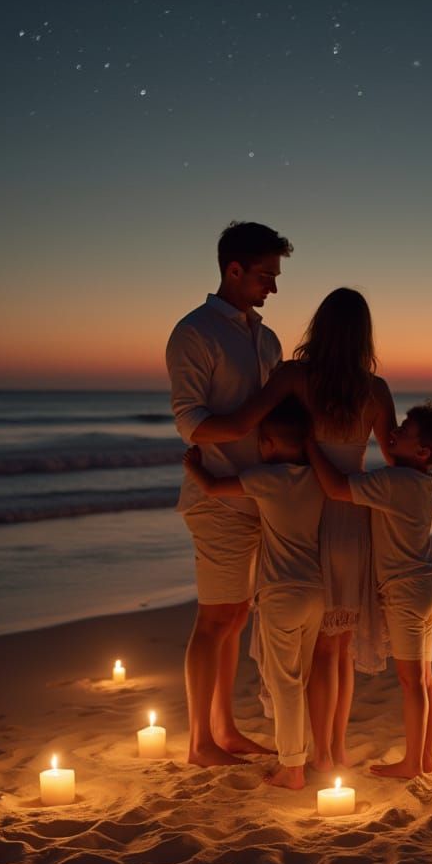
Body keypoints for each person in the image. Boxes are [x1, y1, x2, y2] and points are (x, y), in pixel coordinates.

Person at [190, 288, 397, 771]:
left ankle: (320, 754)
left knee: (320, 650)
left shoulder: (293, 377)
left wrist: (193, 429)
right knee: (340, 647)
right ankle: (336, 750)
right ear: (364, 336)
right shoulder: (376, 390)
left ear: (318, 328)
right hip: (353, 522)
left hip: (309, 515)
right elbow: (395, 460)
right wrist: (422, 490)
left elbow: (244, 422)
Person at [165, 220, 293, 767]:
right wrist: (255, 412)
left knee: (237, 618)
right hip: (216, 496)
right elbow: (190, 422)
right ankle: (200, 742)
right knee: (215, 619)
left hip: (261, 495)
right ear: (233, 270)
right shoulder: (194, 333)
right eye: (265, 275)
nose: (273, 287)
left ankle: (226, 728)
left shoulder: (267, 339)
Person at [306, 401, 432, 779]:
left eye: (404, 431)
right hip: (429, 587)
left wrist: (310, 445)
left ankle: (412, 763)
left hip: (405, 592)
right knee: (425, 678)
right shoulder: (425, 483)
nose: (394, 432)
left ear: (422, 451)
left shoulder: (394, 483)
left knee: (411, 681)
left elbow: (337, 488)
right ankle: (425, 757)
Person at [182, 397, 325, 789]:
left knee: (284, 683)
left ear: (267, 444)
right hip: (316, 593)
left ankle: (292, 768)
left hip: (281, 595)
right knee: (301, 679)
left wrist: (194, 467)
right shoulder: (317, 479)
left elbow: (214, 488)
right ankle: (298, 757)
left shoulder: (265, 478)